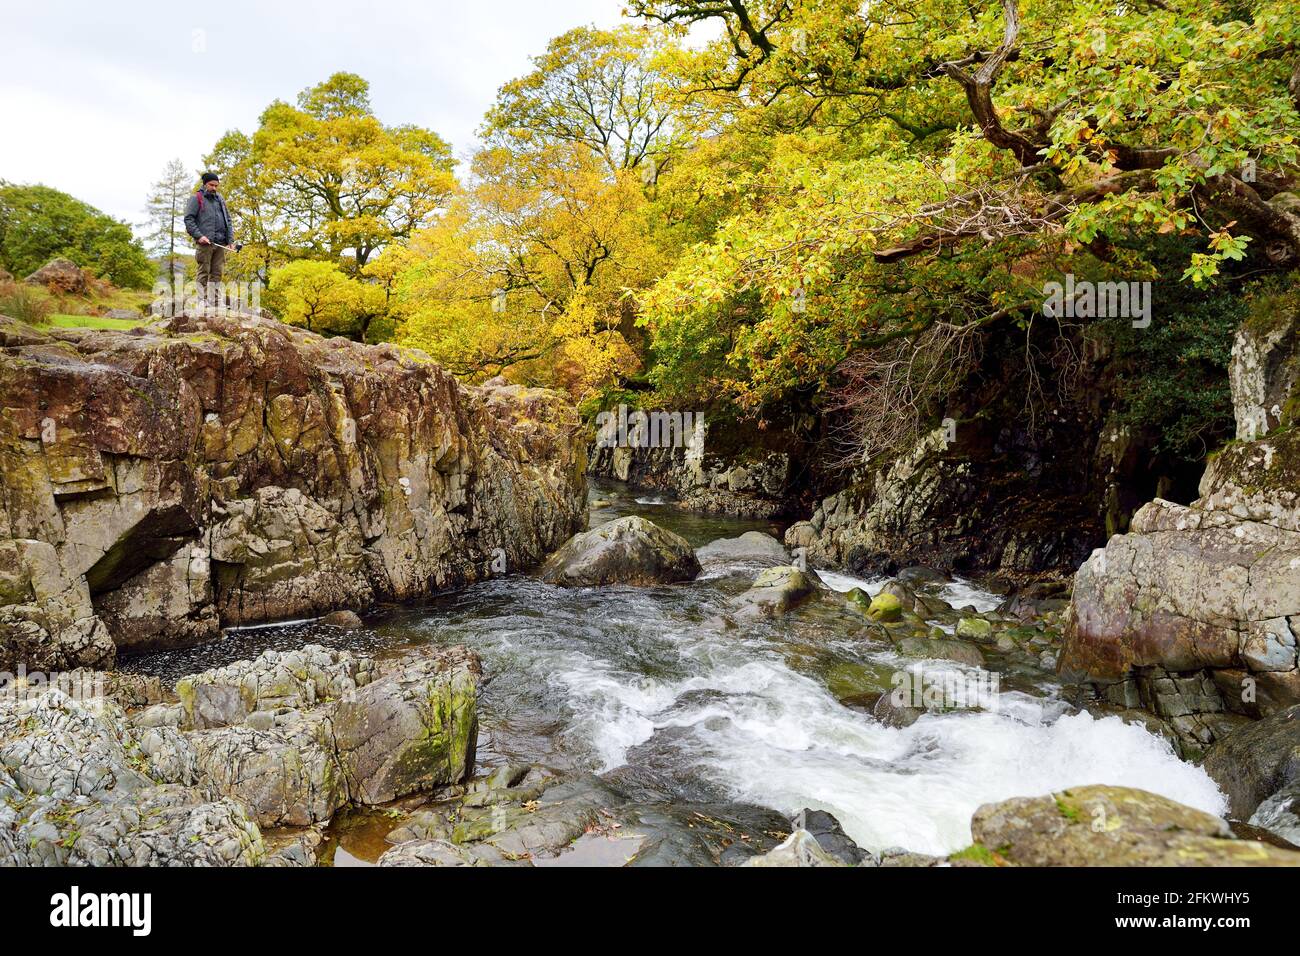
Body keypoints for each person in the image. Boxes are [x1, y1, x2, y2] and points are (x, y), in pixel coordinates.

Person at [183, 172, 235, 308]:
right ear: (205, 184)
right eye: (212, 185)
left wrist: (230, 240)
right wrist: (199, 236)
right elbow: (189, 219)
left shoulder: (220, 199)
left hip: (220, 243)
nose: (214, 188)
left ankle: (216, 301)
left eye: (216, 185)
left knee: (217, 273)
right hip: (205, 243)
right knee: (203, 272)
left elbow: (228, 220)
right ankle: (202, 300)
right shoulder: (196, 198)